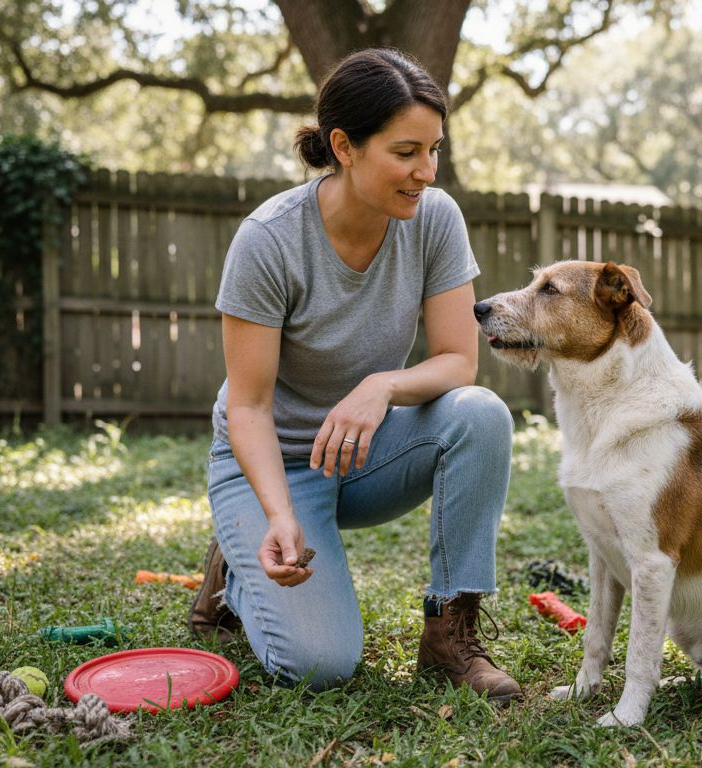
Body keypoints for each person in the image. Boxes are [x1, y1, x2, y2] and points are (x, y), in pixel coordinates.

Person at [189, 48, 520, 701]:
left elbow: (460, 359)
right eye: (405, 153)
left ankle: (450, 635)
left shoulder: (435, 219)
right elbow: (249, 408)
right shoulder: (269, 240)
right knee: (320, 667)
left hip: (360, 453)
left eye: (434, 150)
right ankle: (236, 566)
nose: (425, 172)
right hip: (270, 463)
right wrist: (279, 514)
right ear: (343, 145)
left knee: (480, 413)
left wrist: (383, 387)